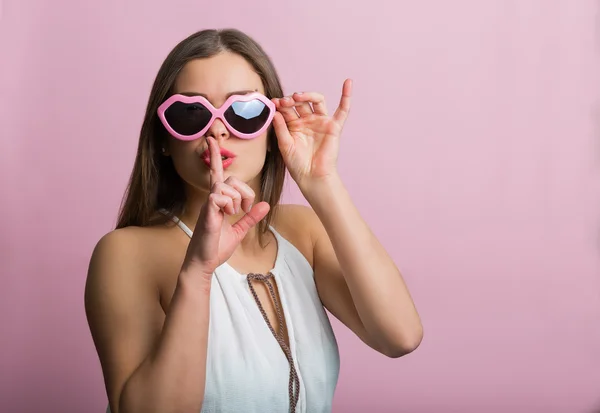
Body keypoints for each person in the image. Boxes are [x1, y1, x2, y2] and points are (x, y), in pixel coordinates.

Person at [84, 28, 423, 413]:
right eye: (190, 112)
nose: (217, 129)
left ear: (271, 128)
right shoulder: (127, 252)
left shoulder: (303, 233)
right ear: (163, 139)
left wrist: (323, 184)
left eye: (244, 112)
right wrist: (198, 272)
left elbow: (400, 336)